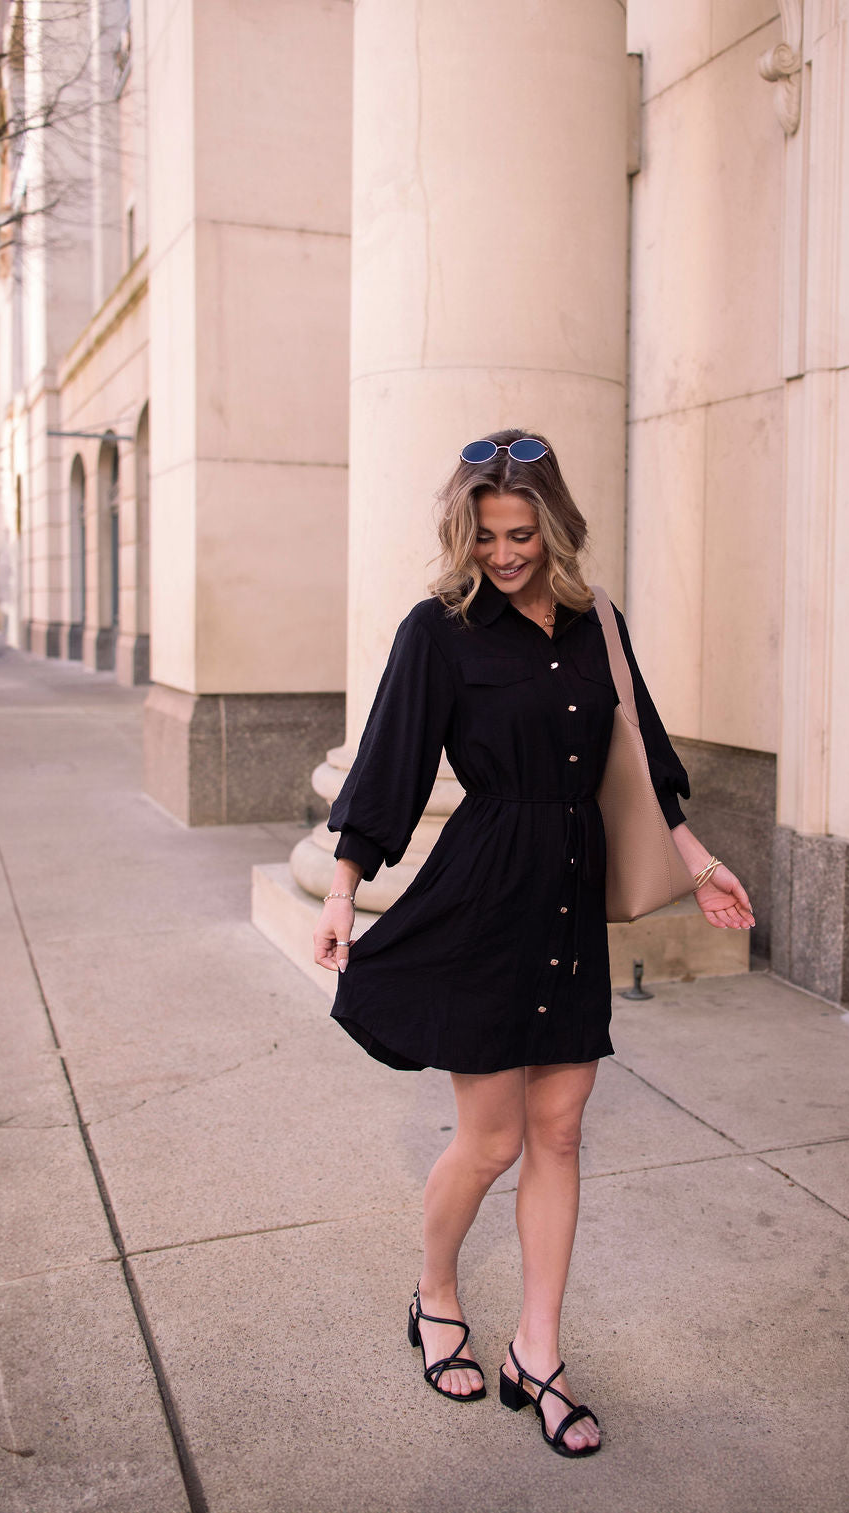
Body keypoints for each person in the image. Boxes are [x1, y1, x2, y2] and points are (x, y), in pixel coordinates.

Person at [313, 430, 755, 1458]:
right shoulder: (440, 629)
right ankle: (433, 1293)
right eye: (484, 537)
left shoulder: (598, 622)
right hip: (486, 890)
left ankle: (538, 1353)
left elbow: (639, 757)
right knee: (493, 1139)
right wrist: (343, 887)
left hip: (568, 886)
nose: (503, 554)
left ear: (553, 528)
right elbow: (388, 763)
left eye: (519, 534)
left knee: (559, 1131)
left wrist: (696, 860)